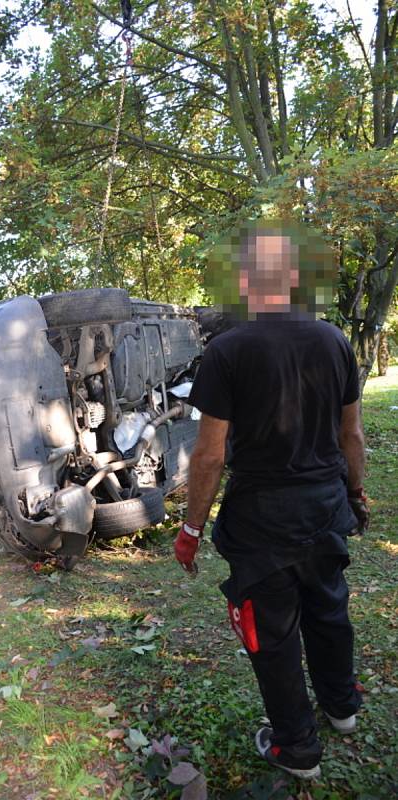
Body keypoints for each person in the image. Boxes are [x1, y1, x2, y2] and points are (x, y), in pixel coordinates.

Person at [174, 222, 370, 780]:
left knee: (272, 632)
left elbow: (209, 457)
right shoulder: (334, 341)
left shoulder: (227, 352)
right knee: (329, 606)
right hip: (325, 504)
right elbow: (350, 436)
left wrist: (189, 530)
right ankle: (342, 707)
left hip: (262, 520)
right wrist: (354, 494)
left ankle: (297, 748)